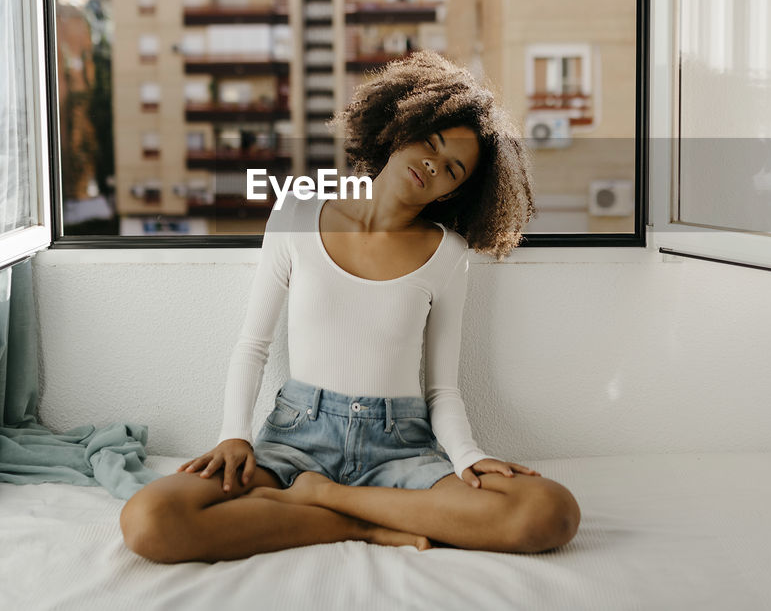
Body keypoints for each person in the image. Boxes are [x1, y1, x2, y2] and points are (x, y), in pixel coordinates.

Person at [120, 50, 581, 562]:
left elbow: (442, 388)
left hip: (399, 449)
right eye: (431, 141)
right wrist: (234, 435)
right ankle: (367, 520)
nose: (434, 163)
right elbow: (252, 345)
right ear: (402, 125)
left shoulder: (448, 254)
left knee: (551, 511)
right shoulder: (295, 212)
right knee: (148, 521)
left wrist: (469, 456)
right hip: (297, 442)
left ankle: (334, 505)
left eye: (453, 168)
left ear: (458, 191)